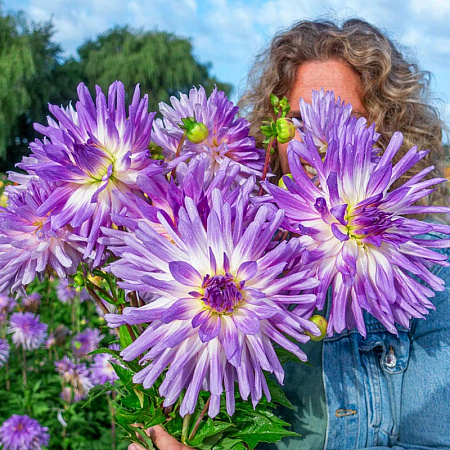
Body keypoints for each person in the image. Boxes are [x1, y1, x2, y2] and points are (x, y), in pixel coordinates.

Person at [129, 19, 450, 450]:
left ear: (383, 132)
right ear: (271, 130)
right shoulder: (218, 232)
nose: (318, 140)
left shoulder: (429, 271)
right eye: (297, 120)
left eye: (345, 117)